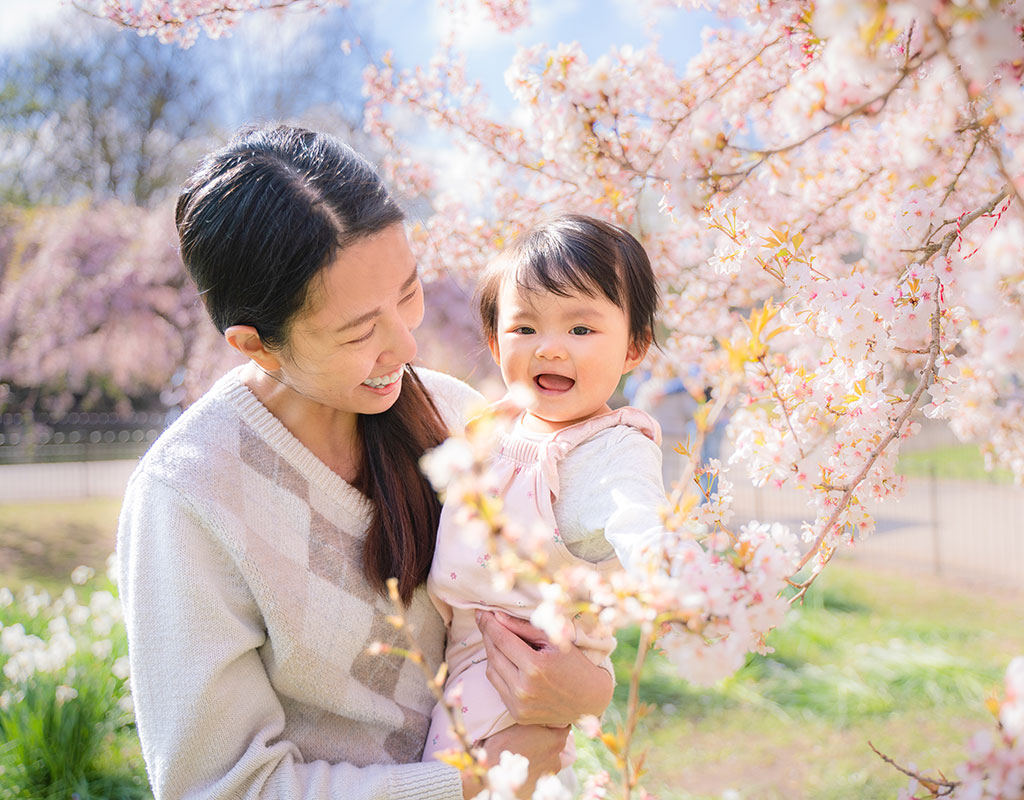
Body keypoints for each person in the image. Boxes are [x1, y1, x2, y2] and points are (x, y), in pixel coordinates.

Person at [115, 125, 613, 800]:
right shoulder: (190, 494)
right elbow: (219, 787)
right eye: (358, 331)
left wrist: (587, 687)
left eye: (408, 292)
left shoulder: (454, 414)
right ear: (257, 346)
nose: (406, 344)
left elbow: (536, 617)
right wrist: (465, 782)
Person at [421, 214, 668, 763]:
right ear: (492, 339)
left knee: (455, 777)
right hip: (464, 654)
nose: (550, 348)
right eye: (525, 328)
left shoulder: (611, 448)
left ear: (635, 346)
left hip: (531, 662)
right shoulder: (493, 424)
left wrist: (669, 573)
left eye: (581, 330)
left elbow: (638, 513)